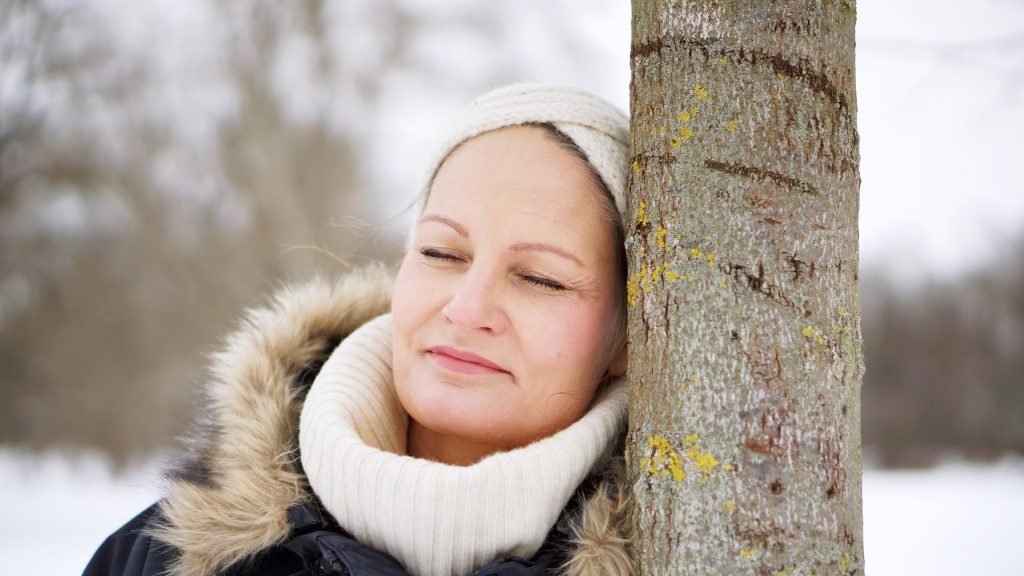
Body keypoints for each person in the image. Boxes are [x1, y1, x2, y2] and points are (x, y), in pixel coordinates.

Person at [84, 84, 632, 576]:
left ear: (628, 337)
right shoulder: (167, 553)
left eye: (541, 279)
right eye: (442, 252)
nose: (467, 309)